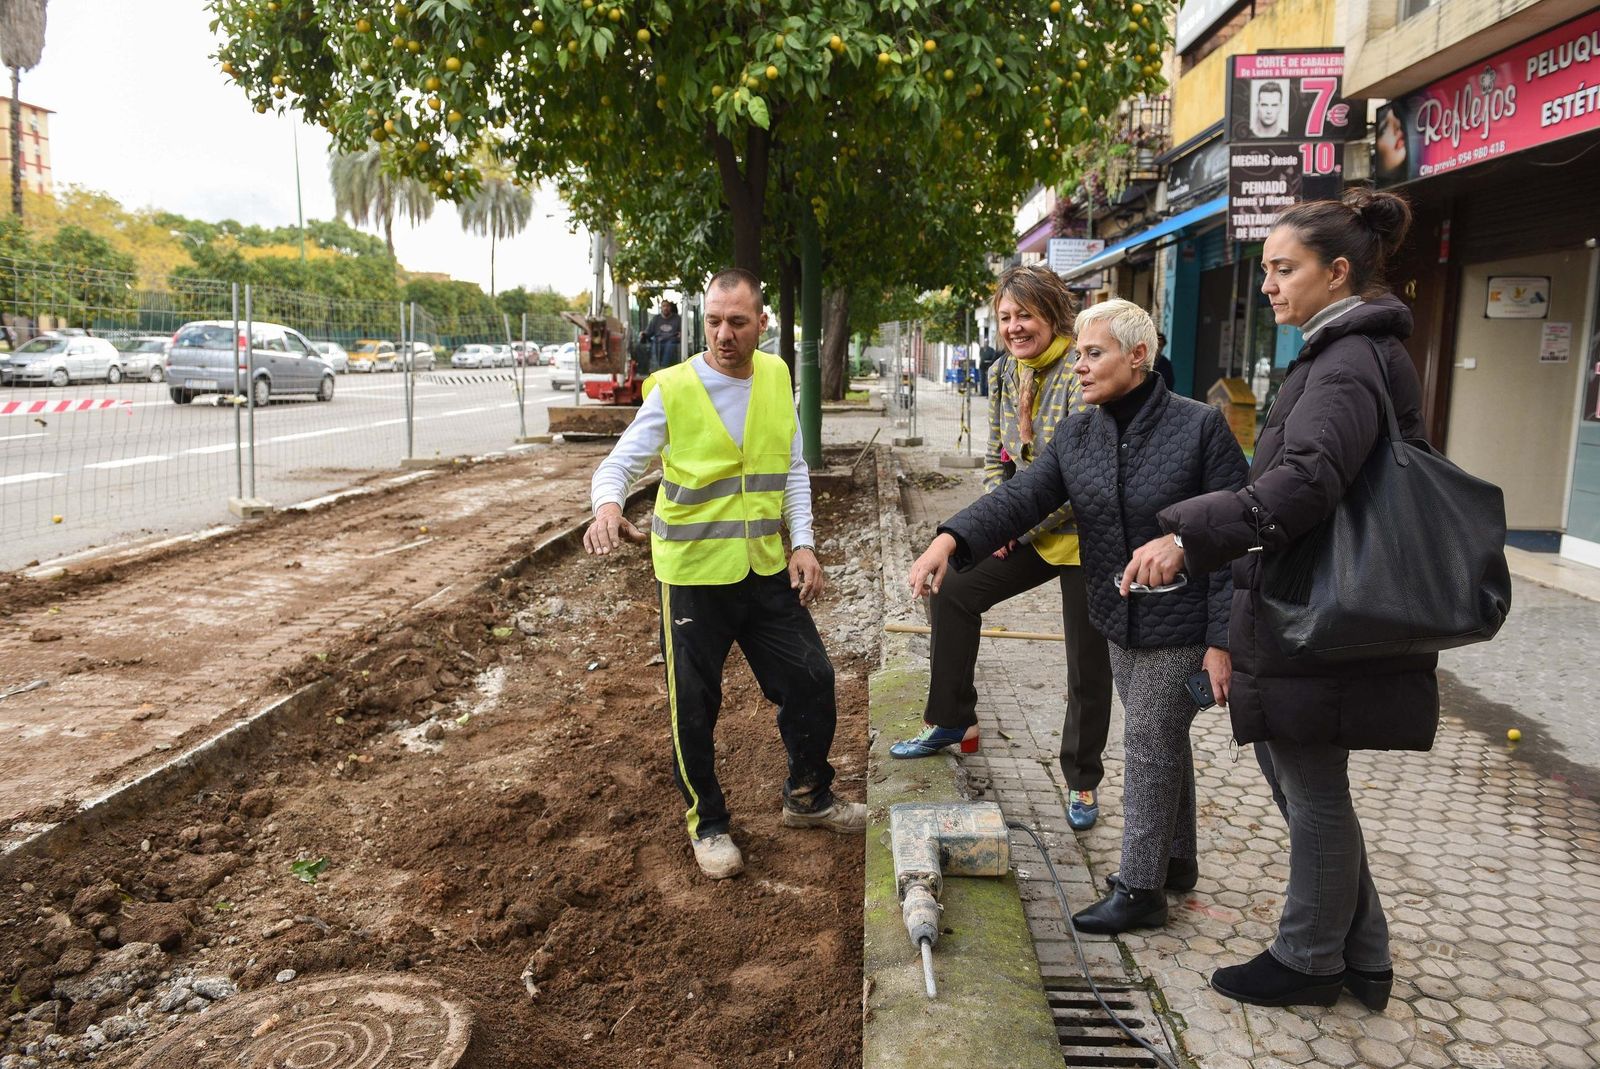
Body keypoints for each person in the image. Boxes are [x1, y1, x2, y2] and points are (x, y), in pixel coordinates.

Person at [1124, 188, 1428, 1010]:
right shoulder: (1342, 353)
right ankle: (1360, 954)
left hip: (1318, 608)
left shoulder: (1346, 362)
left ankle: (1308, 959)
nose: (1267, 287)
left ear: (1337, 273)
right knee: (1300, 775)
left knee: (1311, 782)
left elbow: (1304, 485)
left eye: (1282, 270)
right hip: (1306, 602)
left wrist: (1187, 536)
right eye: (1264, 271)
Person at [909, 298, 1247, 934]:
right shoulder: (1079, 434)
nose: (1081, 367)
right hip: (1118, 616)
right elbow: (1022, 498)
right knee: (1161, 733)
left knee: (1148, 741)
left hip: (1183, 621)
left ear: (1139, 357)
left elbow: (1236, 539)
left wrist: (1222, 640)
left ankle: (1141, 890)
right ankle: (1176, 860)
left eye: (1095, 355)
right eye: (1081, 354)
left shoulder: (1200, 429)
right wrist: (950, 539)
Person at [584, 269, 865, 881]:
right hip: (691, 576)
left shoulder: (777, 377)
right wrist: (608, 505)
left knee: (813, 677)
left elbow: (790, 468)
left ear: (762, 324)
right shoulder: (674, 388)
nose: (723, 334)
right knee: (694, 706)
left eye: (737, 322)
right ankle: (707, 823)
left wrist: (805, 544)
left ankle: (808, 797)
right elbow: (619, 464)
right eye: (713, 320)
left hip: (763, 566)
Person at [888, 265, 1115, 834]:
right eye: (1006, 317)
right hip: (1026, 526)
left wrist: (1020, 520)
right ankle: (951, 721)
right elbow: (996, 457)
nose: (1015, 328)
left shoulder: (1081, 370)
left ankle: (1083, 778)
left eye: (1026, 316)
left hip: (1086, 535)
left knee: (1086, 665)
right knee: (955, 589)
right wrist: (999, 519)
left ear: (1053, 314)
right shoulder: (1003, 373)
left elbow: (1079, 479)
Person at [641, 299, 682, 370]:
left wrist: (681, 334)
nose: (665, 308)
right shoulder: (656, 319)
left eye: (667, 306)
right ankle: (654, 367)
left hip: (672, 341)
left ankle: (663, 367)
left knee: (670, 344)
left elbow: (685, 332)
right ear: (661, 308)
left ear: (670, 308)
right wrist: (643, 334)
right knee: (653, 343)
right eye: (664, 306)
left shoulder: (677, 319)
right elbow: (648, 332)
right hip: (658, 341)